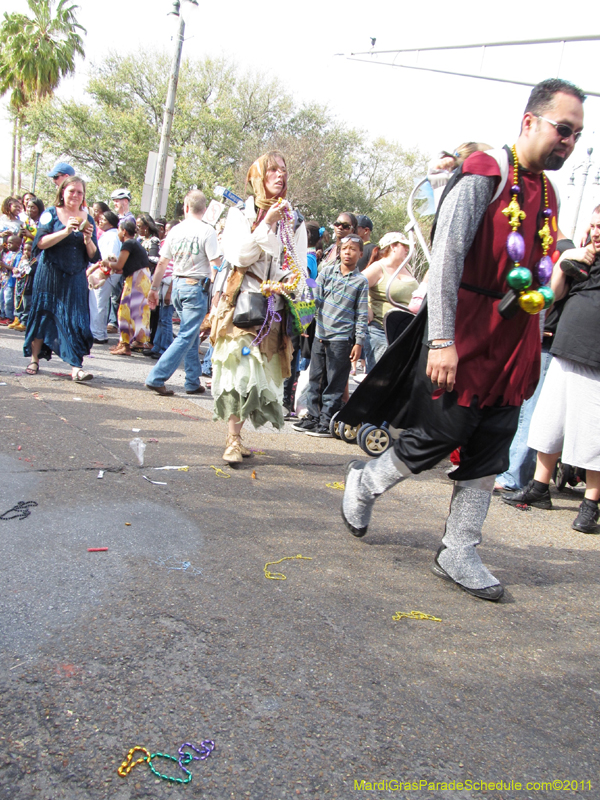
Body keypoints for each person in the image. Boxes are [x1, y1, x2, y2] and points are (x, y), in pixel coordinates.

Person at [339, 78, 585, 602]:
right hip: (466, 330)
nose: (569, 142)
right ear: (530, 121)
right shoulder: (484, 174)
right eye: (563, 129)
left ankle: (459, 548)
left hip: (515, 339)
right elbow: (447, 259)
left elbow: (539, 277)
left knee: (492, 446)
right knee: (438, 435)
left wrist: (559, 280)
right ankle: (366, 481)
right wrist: (442, 340)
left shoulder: (549, 192)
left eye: (577, 135)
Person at [502, 206, 600, 532]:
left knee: (591, 435)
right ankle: (539, 488)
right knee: (548, 424)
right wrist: (564, 261)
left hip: (595, 360)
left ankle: (591, 505)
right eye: (593, 225)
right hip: (564, 350)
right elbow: (552, 297)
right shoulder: (582, 260)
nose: (596, 232)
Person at [209, 150, 307, 462]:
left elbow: (298, 267)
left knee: (260, 376)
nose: (280, 175)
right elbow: (239, 256)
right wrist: (266, 223)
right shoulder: (241, 213)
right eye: (272, 170)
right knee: (240, 370)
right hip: (243, 305)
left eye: (283, 170)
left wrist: (287, 284)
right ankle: (232, 439)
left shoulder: (295, 220)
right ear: (258, 177)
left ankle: (238, 436)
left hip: (275, 310)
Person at [23, 175, 100, 380]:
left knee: (76, 319)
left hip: (75, 276)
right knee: (43, 314)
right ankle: (34, 358)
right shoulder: (50, 214)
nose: (75, 195)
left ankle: (76, 367)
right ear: (62, 192)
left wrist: (87, 239)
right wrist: (66, 231)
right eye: (71, 191)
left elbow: (94, 255)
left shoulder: (88, 218)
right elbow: (40, 243)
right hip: (50, 273)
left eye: (79, 192)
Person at [146, 191, 220, 395]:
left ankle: (192, 381)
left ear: (186, 207)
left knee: (191, 334)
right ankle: (157, 376)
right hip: (195, 286)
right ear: (204, 209)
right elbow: (215, 265)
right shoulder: (207, 231)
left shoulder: (175, 230)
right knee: (187, 334)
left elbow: (162, 263)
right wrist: (217, 292)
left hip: (177, 284)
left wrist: (154, 288)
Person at [293, 233, 368, 437]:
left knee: (334, 382)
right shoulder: (327, 272)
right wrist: (304, 320)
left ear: (360, 254)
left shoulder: (360, 281)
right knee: (315, 378)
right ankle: (312, 417)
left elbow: (361, 314)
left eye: (353, 249)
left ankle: (327, 421)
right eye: (344, 249)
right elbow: (315, 298)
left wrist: (359, 342)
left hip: (342, 340)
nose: (348, 253)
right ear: (339, 251)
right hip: (321, 334)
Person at [362, 232, 419, 365]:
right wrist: (365, 306)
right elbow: (353, 286)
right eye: (404, 246)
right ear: (393, 246)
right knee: (382, 375)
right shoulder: (378, 268)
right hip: (381, 332)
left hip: (405, 333)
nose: (407, 249)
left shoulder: (407, 268)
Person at [105, 219, 152, 356]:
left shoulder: (128, 243)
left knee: (126, 312)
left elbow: (119, 266)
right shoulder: (134, 244)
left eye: (119, 230)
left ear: (124, 231)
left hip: (137, 280)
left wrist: (106, 263)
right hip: (140, 279)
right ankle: (127, 342)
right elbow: (123, 267)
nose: (118, 233)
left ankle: (126, 344)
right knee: (134, 311)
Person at [87, 210, 122, 344]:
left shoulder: (112, 237)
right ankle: (100, 332)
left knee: (97, 303)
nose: (100, 221)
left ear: (110, 222)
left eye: (103, 219)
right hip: (103, 272)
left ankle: (96, 333)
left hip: (104, 273)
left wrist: (103, 274)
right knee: (100, 303)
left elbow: (110, 257)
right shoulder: (110, 235)